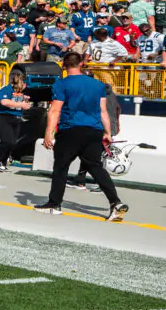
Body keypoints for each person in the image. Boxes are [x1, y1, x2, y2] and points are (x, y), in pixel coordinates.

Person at [36, 51, 129, 221]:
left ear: (64, 66)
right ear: (81, 64)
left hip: (70, 130)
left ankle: (54, 204)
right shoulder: (97, 85)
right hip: (93, 130)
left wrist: (48, 133)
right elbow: (103, 112)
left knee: (61, 167)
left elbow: (55, 110)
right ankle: (115, 202)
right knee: (95, 166)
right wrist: (107, 133)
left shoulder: (61, 84)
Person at [0, 65, 30, 172]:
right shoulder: (6, 89)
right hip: (1, 117)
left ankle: (3, 161)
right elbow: (5, 102)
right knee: (7, 140)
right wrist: (21, 104)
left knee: (13, 141)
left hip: (15, 118)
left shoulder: (23, 92)